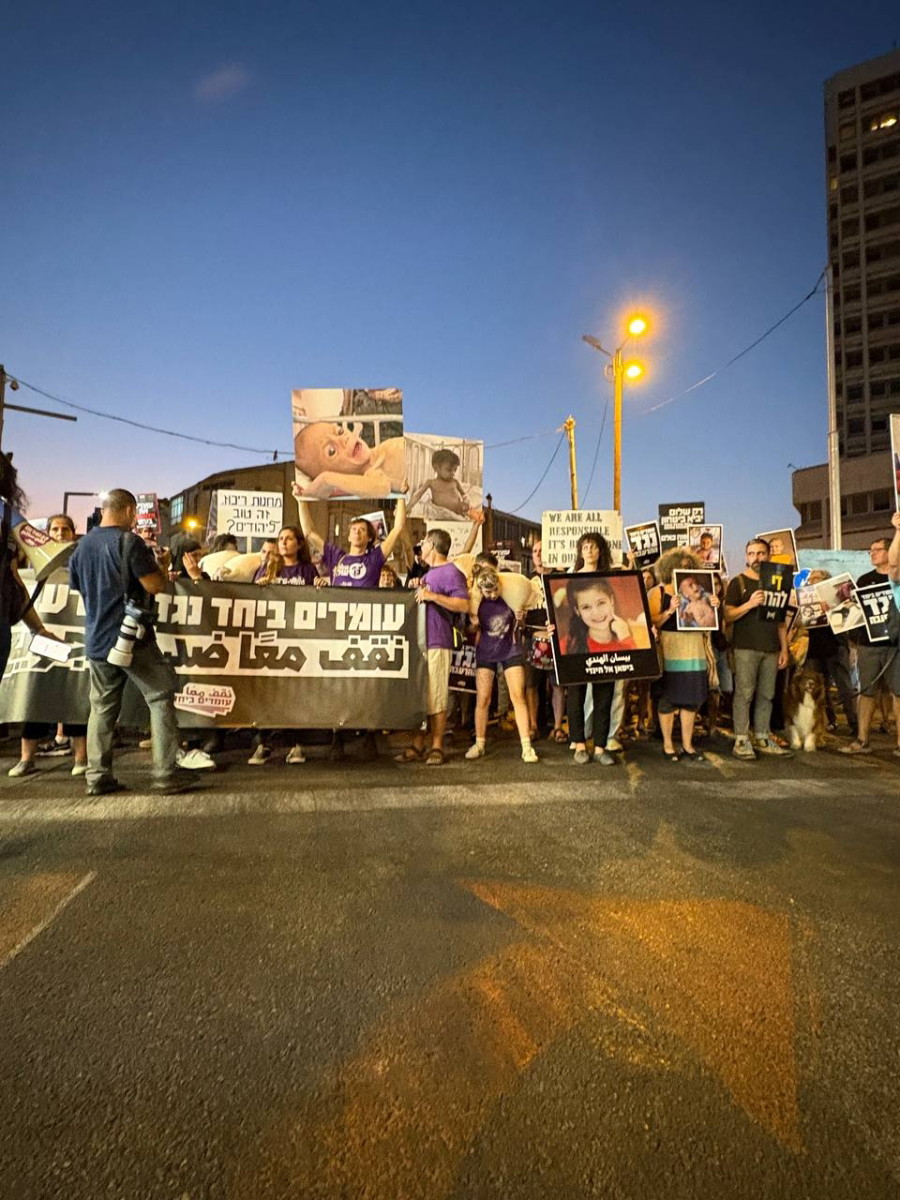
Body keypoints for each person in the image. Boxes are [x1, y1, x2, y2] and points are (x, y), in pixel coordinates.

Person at [67, 488, 197, 795]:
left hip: (97, 638)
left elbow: (79, 588)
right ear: (128, 510)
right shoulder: (129, 542)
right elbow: (154, 585)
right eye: (135, 513)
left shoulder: (81, 547)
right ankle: (165, 773)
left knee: (102, 708)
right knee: (160, 695)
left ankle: (97, 776)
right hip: (131, 638)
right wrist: (162, 565)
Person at [394, 528, 469, 766]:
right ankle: (418, 743)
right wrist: (418, 586)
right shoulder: (428, 573)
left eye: (425, 543)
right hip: (420, 642)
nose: (422, 546)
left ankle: (437, 745)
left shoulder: (452, 572)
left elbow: (463, 604)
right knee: (420, 695)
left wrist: (433, 596)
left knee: (437, 695)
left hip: (437, 640)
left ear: (433, 546)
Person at [723, 538, 792, 760]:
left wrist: (784, 648)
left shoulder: (776, 582)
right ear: (746, 557)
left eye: (761, 553)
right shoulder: (738, 582)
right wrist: (750, 604)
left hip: (771, 648)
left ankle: (762, 736)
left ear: (768, 555)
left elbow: (780, 620)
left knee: (767, 695)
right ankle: (741, 739)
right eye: (752, 553)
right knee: (744, 694)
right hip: (745, 648)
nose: (756, 558)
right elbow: (728, 615)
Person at [464, 562, 538, 763]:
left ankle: (526, 747)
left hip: (510, 648)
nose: (492, 595)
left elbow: (522, 625)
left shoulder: (510, 596)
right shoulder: (477, 602)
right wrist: (473, 625)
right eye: (488, 592)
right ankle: (479, 744)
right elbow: (469, 631)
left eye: (495, 590)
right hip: (486, 650)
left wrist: (520, 618)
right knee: (483, 698)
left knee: (517, 696)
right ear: (481, 590)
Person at [649, 549, 717, 763]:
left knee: (691, 698)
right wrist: (670, 610)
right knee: (668, 698)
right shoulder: (659, 592)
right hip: (671, 649)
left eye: (689, 566)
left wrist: (714, 607)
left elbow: (710, 622)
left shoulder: (701, 592)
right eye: (681, 565)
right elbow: (652, 622)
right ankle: (668, 744)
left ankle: (688, 745)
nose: (685, 569)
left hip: (694, 649)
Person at [0, 453, 63, 682]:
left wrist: (38, 629)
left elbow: (12, 579)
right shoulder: (9, 516)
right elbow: (13, 579)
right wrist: (37, 628)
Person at [841, 521, 900, 756]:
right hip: (869, 644)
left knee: (898, 693)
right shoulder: (864, 580)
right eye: (870, 551)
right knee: (866, 692)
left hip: (895, 645)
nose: (872, 554)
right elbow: (855, 612)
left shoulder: (896, 578)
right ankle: (862, 740)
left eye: (877, 550)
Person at [562, 532, 618, 766]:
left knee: (604, 697)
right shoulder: (571, 577)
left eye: (593, 546)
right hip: (579, 648)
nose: (589, 550)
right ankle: (579, 745)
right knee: (576, 695)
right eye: (585, 547)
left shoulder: (611, 576)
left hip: (606, 648)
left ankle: (600, 747)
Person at [295, 494, 407, 589]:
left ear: (369, 538)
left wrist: (401, 496)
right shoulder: (336, 556)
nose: (357, 532)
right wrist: (301, 501)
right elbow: (309, 533)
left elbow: (397, 528)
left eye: (362, 530)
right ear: (349, 537)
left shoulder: (374, 558)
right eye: (353, 529)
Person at [523, 539, 567, 743]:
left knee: (557, 684)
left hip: (556, 639)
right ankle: (533, 725)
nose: (539, 554)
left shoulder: (560, 579)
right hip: (532, 638)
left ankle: (558, 726)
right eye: (535, 551)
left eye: (542, 550)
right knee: (531, 684)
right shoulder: (525, 581)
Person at [293, 422, 406, 499]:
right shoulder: (373, 473)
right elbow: (382, 488)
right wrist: (326, 479)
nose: (343, 439)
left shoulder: (380, 452)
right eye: (331, 451)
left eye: (340, 431)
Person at [408, 448, 476, 519]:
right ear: (436, 468)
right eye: (449, 470)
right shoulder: (431, 482)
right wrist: (409, 506)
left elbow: (464, 495)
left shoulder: (455, 482)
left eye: (455, 470)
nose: (453, 473)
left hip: (458, 513)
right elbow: (418, 495)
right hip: (441, 514)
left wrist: (466, 503)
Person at [253, 525, 317, 586]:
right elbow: (254, 590)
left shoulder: (309, 569)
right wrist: (260, 583)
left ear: (299, 544)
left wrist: (320, 583)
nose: (284, 542)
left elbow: (316, 591)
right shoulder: (268, 567)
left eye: (289, 539)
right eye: (281, 539)